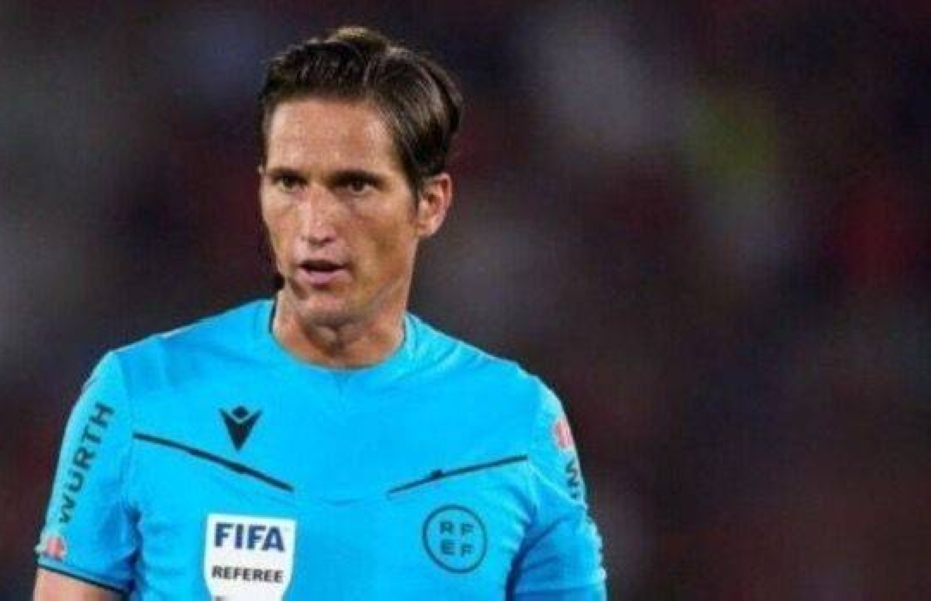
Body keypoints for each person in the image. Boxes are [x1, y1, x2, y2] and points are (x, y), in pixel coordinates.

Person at [33, 26, 606, 600]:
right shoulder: (138, 394)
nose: (315, 226)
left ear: (430, 204)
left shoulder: (516, 420)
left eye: (354, 186)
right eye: (290, 183)